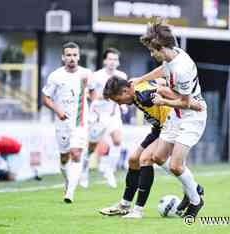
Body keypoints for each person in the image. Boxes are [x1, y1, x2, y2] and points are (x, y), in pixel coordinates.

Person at [133, 17, 207, 218]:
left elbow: (186, 102)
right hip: (177, 115)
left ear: (162, 48)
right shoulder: (173, 56)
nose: (151, 53)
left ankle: (195, 201)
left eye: (152, 50)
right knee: (157, 157)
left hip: (192, 117)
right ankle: (193, 187)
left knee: (175, 166)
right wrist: (140, 79)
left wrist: (162, 101)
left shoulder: (182, 68)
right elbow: (163, 70)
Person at [99, 76, 202, 218]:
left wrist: (191, 103)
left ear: (125, 91)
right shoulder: (135, 89)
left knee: (146, 159)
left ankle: (138, 211)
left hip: (170, 125)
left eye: (118, 100)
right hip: (158, 128)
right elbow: (160, 80)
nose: (119, 104)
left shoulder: (142, 93)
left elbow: (162, 87)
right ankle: (124, 205)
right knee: (133, 160)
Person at [42, 41, 93, 203]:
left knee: (76, 154)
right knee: (64, 158)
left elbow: (93, 94)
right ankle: (68, 181)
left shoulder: (86, 74)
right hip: (62, 123)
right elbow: (45, 98)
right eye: (69, 55)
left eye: (75, 55)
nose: (72, 58)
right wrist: (58, 111)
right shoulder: (55, 76)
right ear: (63, 57)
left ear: (79, 57)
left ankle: (70, 192)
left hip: (80, 122)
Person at [84, 48, 127, 188]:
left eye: (115, 59)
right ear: (104, 61)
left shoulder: (122, 76)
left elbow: (124, 94)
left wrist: (123, 105)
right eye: (110, 59)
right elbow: (89, 95)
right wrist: (106, 96)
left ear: (118, 62)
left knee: (118, 141)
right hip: (97, 115)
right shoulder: (96, 76)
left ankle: (109, 170)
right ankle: (83, 171)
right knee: (91, 147)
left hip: (113, 114)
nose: (112, 62)